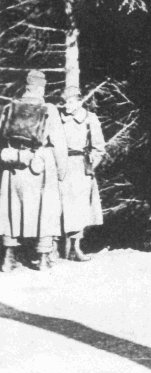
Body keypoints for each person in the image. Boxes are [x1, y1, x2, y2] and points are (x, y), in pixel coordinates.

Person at [0, 70, 67, 271]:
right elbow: (59, 144)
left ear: (26, 86)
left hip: (13, 164)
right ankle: (44, 258)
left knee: (11, 210)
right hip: (41, 164)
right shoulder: (49, 109)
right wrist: (62, 172)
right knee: (46, 210)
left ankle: (7, 258)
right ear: (42, 87)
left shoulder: (10, 107)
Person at [58, 86, 105, 261]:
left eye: (70, 102)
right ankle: (61, 248)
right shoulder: (57, 119)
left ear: (79, 102)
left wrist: (91, 166)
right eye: (64, 102)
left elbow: (99, 147)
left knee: (79, 208)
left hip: (80, 167)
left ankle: (75, 248)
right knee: (61, 207)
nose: (66, 106)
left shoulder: (89, 119)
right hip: (61, 166)